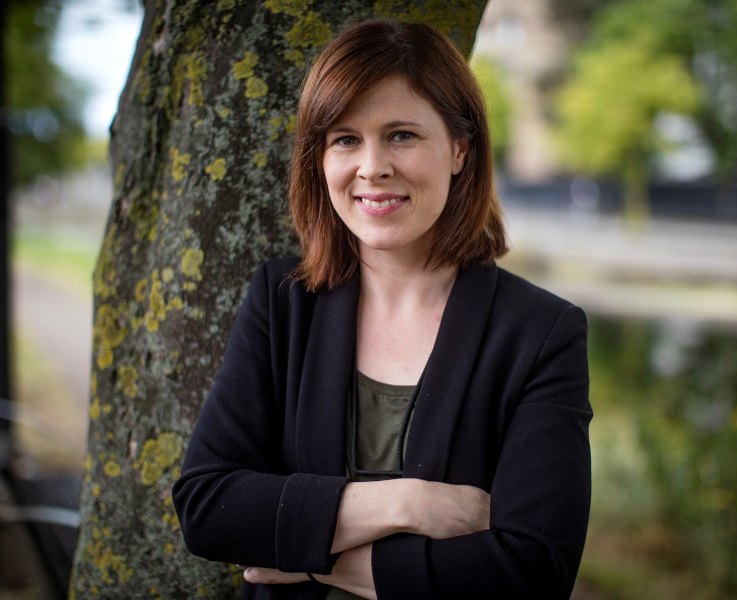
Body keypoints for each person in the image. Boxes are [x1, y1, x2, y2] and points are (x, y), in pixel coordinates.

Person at [172, 18, 592, 600]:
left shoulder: (541, 332)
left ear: (459, 151)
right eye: (345, 138)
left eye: (401, 135)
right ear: (320, 160)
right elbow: (207, 507)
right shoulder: (281, 300)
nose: (372, 166)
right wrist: (407, 503)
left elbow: (534, 570)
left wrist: (311, 557)